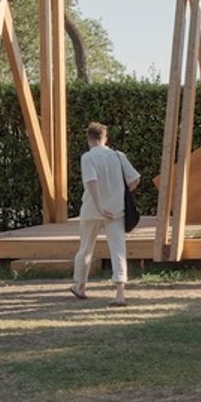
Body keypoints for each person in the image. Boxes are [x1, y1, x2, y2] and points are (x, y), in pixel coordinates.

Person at [71, 122, 141, 304]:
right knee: (118, 250)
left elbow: (91, 182)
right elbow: (135, 178)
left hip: (92, 209)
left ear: (89, 139)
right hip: (117, 210)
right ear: (105, 139)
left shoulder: (88, 157)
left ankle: (80, 285)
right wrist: (121, 192)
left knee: (85, 248)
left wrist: (99, 205)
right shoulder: (118, 155)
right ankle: (120, 294)